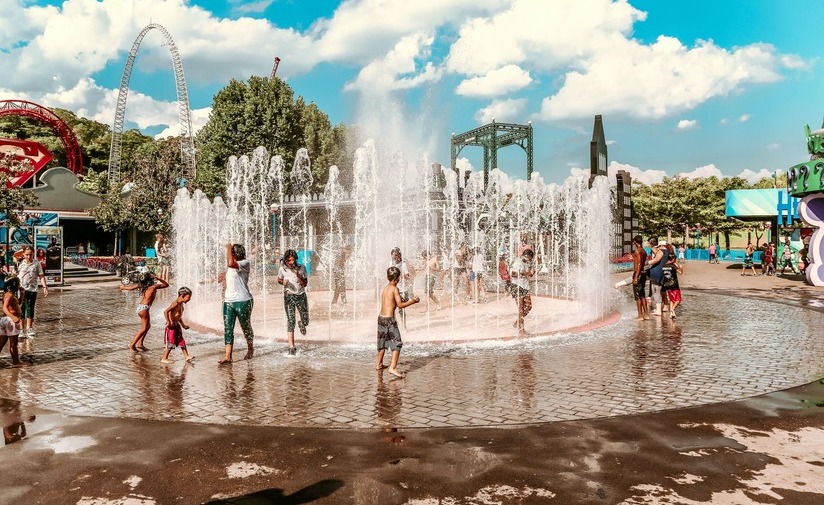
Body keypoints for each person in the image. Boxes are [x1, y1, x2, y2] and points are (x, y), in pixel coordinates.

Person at [377, 266, 420, 378]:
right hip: (389, 321)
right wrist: (413, 301)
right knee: (397, 343)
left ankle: (379, 364)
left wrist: (402, 299)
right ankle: (393, 368)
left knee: (382, 342)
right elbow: (400, 305)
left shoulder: (385, 288)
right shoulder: (395, 289)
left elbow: (393, 302)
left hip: (381, 318)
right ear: (397, 278)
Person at [220, 243, 255, 364]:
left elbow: (231, 263)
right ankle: (228, 356)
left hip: (243, 300)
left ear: (235, 254)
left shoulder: (245, 263)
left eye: (231, 253)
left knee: (245, 326)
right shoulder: (230, 267)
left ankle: (250, 349)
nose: (229, 255)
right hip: (228, 301)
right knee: (228, 328)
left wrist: (228, 246)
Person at [119, 272, 169, 352]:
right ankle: (132, 344)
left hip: (140, 307)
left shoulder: (142, 286)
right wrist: (158, 278)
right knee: (144, 328)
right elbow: (166, 285)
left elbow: (131, 288)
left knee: (147, 326)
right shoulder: (153, 287)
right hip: (144, 309)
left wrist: (122, 287)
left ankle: (140, 344)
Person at [277, 249, 308, 356]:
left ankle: (302, 323)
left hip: (301, 295)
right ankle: (291, 347)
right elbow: (279, 280)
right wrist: (283, 282)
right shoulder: (282, 269)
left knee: (306, 320)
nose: (291, 263)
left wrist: (298, 276)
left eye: (293, 260)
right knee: (291, 320)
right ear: (285, 260)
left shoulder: (302, 267)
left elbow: (305, 283)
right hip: (289, 295)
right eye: (289, 260)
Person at [16, 246, 48, 338]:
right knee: (21, 309)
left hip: (32, 289)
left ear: (33, 254)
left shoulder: (36, 263)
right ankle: (21, 330)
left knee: (30, 308)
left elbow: (41, 275)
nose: (28, 256)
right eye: (26, 254)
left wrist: (45, 287)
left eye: (30, 254)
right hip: (21, 290)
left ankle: (29, 328)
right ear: (23, 254)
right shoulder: (20, 263)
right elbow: (16, 275)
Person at [161, 287, 194, 364]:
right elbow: (166, 312)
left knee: (181, 340)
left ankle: (186, 356)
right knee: (171, 341)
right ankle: (164, 358)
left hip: (176, 325)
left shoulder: (181, 304)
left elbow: (178, 316)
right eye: (188, 297)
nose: (189, 299)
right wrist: (168, 321)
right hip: (171, 326)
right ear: (182, 295)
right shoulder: (175, 303)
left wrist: (183, 325)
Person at [510, 248, 535, 332]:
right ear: (526, 256)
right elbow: (512, 274)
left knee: (528, 307)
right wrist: (525, 273)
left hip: (525, 286)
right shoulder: (518, 262)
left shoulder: (528, 263)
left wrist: (532, 272)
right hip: (517, 286)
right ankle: (521, 329)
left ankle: (517, 321)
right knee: (520, 308)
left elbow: (530, 274)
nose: (530, 260)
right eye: (530, 258)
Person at [0, 276, 23, 366]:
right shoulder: (9, 295)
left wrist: (22, 294)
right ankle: (16, 362)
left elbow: (18, 304)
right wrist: (13, 317)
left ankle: (16, 361)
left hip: (4, 320)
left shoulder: (8, 295)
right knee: (13, 343)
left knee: (1, 342)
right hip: (10, 321)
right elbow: (5, 308)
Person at [389, 247, 413, 328]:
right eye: (392, 256)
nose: (394, 258)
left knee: (401, 309)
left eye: (396, 255)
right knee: (391, 308)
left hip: (402, 289)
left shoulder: (403, 264)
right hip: (393, 289)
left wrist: (406, 276)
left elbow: (407, 275)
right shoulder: (391, 263)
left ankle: (404, 326)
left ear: (399, 255)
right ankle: (395, 325)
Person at [647, 238, 669, 316]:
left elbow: (657, 259)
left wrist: (646, 263)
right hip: (661, 272)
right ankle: (661, 308)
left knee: (656, 291)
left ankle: (658, 310)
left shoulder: (661, 251)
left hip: (656, 272)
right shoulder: (668, 252)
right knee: (660, 291)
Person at [631, 235, 649, 321]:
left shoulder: (638, 251)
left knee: (637, 296)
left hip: (638, 273)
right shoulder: (644, 251)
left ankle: (640, 315)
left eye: (634, 241)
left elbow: (638, 265)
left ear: (635, 241)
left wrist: (635, 277)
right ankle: (646, 314)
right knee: (642, 295)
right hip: (643, 274)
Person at [661, 254, 683, 319]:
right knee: (678, 299)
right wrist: (680, 267)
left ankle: (671, 314)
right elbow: (680, 273)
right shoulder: (673, 266)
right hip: (674, 285)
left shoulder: (664, 265)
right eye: (675, 259)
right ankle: (672, 309)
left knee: (671, 299)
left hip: (667, 285)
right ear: (673, 259)